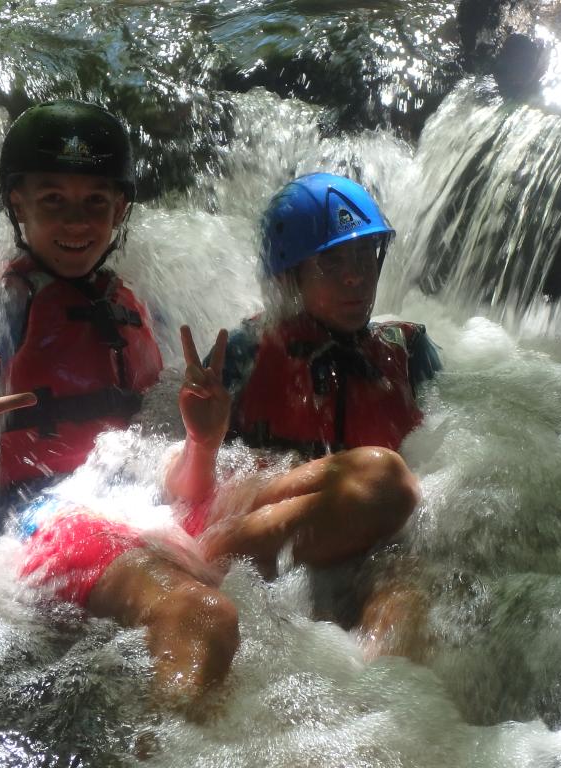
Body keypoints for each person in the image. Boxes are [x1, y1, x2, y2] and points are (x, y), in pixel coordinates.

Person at [0, 100, 238, 708]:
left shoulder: (135, 306)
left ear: (121, 208)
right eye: (53, 200)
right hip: (25, 527)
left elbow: (165, 477)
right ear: (17, 204)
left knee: (373, 481)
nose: (77, 222)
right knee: (200, 614)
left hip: (121, 500)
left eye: (95, 201)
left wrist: (204, 441)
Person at [195, 172, 442, 657]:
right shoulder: (242, 353)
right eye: (331, 261)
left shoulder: (411, 350)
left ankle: (378, 705)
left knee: (409, 595)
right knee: (383, 480)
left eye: (364, 255)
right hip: (270, 536)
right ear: (290, 276)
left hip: (369, 537)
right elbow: (193, 483)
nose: (356, 276)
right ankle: (205, 565)